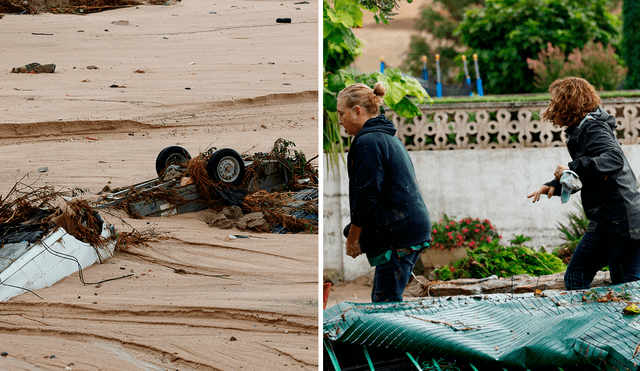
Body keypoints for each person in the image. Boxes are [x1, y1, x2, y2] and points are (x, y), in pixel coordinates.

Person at [528, 76, 640, 290]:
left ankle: (584, 324)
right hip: (632, 218)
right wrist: (556, 184)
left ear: (567, 104)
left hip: (614, 219)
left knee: (576, 278)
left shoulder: (592, 128)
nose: (551, 108)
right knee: (628, 288)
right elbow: (595, 170)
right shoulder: (589, 127)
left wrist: (573, 167)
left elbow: (613, 159)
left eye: (554, 102)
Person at [337, 82, 431, 302]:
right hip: (406, 228)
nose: (340, 120)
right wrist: (352, 231)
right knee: (386, 297)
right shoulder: (386, 137)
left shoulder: (368, 142)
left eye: (342, 114)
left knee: (385, 302)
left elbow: (367, 197)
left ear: (357, 111)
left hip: (398, 233)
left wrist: (353, 239)